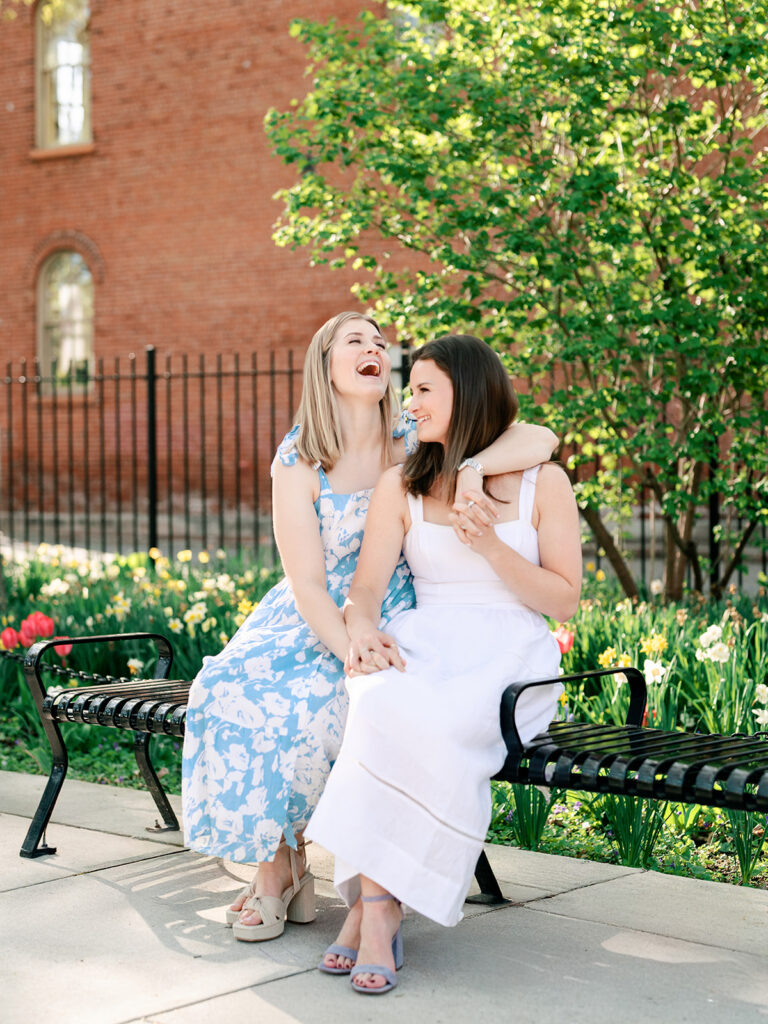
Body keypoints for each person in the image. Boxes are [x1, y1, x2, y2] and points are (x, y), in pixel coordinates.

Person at [182, 313, 559, 944]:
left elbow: (540, 438)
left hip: (400, 610)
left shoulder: (412, 435)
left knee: (317, 704)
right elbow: (305, 582)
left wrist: (472, 466)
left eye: (379, 342)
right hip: (317, 612)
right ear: (325, 365)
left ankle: (287, 875)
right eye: (354, 340)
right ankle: (279, 864)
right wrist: (347, 640)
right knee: (227, 690)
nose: (373, 349)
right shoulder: (299, 458)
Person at [305, 333, 582, 994]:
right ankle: (379, 907)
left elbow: (563, 601)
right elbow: (367, 586)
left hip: (511, 654)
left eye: (427, 389)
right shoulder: (402, 481)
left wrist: (488, 545)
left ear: (468, 393)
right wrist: (363, 631)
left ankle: (370, 914)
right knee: (380, 699)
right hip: (427, 635)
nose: (412, 402)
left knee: (430, 715)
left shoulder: (546, 482)